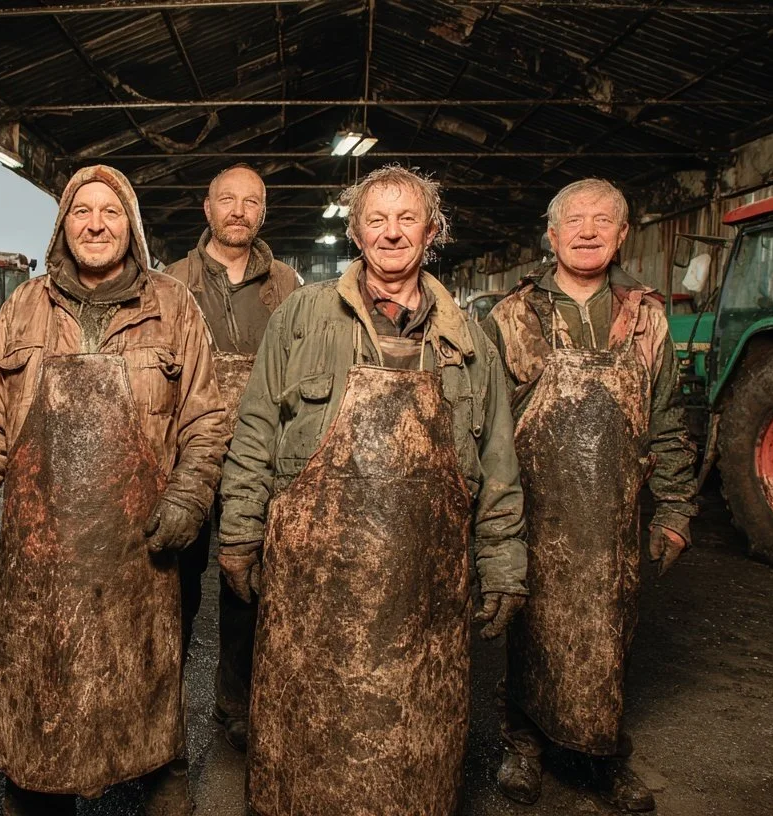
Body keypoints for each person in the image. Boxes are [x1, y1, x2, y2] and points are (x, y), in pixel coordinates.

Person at [221, 165, 528, 816]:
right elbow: (254, 428)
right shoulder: (303, 317)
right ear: (356, 232)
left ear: (432, 231)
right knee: (304, 745)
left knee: (409, 749)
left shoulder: (468, 341)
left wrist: (502, 564)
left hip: (422, 589)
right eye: (377, 219)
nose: (392, 233)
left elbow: (498, 462)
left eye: (407, 218)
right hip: (312, 582)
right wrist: (241, 531)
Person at [0, 164, 227, 816]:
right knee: (44, 678)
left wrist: (189, 496)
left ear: (128, 225)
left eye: (109, 211)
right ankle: (37, 781)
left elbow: (208, 416)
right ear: (64, 226)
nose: (96, 223)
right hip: (41, 546)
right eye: (83, 212)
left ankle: (160, 767)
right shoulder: (25, 307)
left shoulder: (173, 307)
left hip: (139, 543)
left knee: (142, 670)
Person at [483, 178, 697, 813]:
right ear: (551, 236)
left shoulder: (648, 318)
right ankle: (523, 746)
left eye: (603, 219)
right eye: (574, 219)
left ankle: (603, 753)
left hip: (614, 514)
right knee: (531, 630)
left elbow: (667, 419)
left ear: (623, 233)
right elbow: (484, 424)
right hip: (532, 510)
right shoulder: (510, 316)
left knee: (609, 632)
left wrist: (677, 508)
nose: (587, 230)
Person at [160, 163, 300, 751]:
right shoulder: (170, 282)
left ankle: (235, 699)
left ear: (263, 212)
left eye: (251, 202)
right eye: (227, 200)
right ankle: (162, 704)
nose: (239, 210)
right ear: (207, 207)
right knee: (175, 584)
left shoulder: (288, 288)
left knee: (248, 584)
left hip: (261, 456)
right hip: (186, 452)